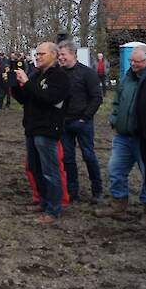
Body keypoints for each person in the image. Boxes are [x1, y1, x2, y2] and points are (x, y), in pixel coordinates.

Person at [10, 42, 70, 224]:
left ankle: (54, 209)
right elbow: (27, 98)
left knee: (50, 171)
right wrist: (15, 85)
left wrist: (27, 83)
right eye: (36, 54)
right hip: (32, 128)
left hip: (48, 129)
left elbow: (48, 98)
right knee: (35, 168)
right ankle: (44, 202)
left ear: (53, 55)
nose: (37, 57)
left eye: (41, 54)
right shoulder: (37, 75)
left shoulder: (59, 77)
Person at [102, 46, 146, 221]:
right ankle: (118, 204)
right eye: (131, 61)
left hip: (142, 138)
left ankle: (145, 208)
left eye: (138, 62)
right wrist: (114, 118)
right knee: (115, 169)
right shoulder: (127, 78)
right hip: (123, 136)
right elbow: (117, 102)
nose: (134, 64)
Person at [57, 41, 104, 203]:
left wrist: (85, 118)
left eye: (63, 54)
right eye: (59, 55)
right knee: (67, 158)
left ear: (73, 54)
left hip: (83, 123)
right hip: (64, 123)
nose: (60, 57)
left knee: (89, 156)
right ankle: (72, 192)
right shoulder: (59, 74)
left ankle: (97, 190)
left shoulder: (87, 73)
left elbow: (97, 97)